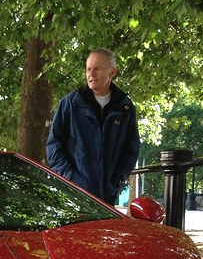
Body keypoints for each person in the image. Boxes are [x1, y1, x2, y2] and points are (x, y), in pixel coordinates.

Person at [46, 48, 140, 205]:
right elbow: (53, 147)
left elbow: (131, 150)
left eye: (97, 68)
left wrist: (116, 180)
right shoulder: (70, 104)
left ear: (112, 72)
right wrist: (71, 178)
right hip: (73, 195)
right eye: (89, 69)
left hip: (106, 197)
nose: (91, 73)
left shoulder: (125, 108)